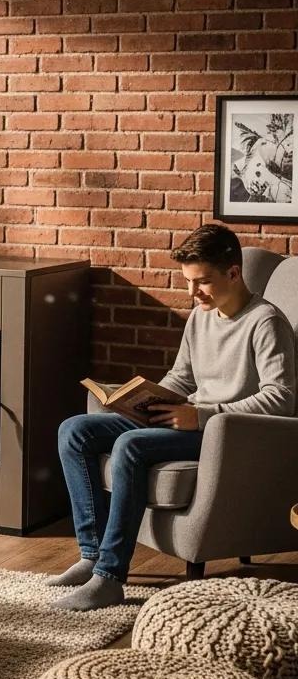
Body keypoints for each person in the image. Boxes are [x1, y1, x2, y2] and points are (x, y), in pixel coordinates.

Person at [51, 223, 296, 611]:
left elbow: (281, 398)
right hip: (188, 416)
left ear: (234, 273)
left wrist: (200, 416)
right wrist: (140, 400)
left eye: (201, 282)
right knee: (74, 430)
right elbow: (182, 376)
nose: (191, 292)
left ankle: (110, 577)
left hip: (224, 432)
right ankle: (92, 555)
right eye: (187, 281)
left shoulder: (266, 322)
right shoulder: (202, 315)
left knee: (130, 446)